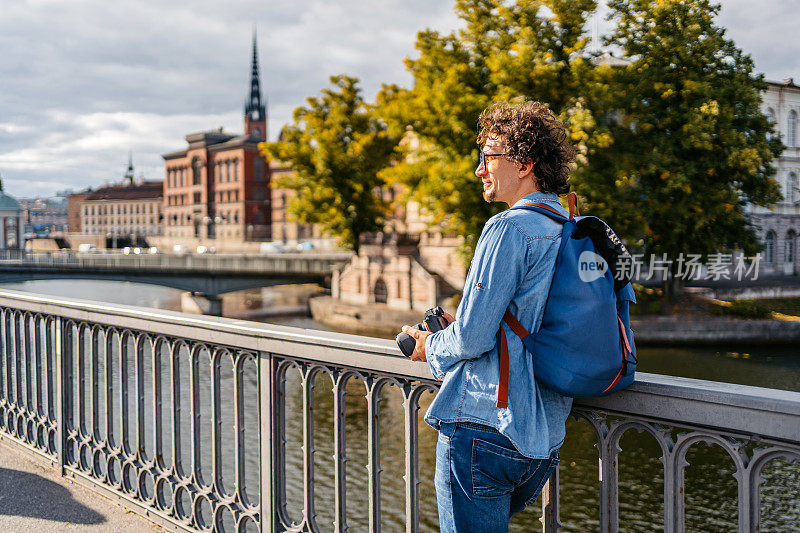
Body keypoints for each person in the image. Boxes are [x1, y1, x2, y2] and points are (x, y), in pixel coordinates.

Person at [401, 100, 576, 533]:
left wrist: (430, 346)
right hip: (543, 438)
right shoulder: (570, 227)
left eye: (488, 157)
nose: (480, 169)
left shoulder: (508, 228)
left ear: (523, 164)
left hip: (486, 427)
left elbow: (474, 335)